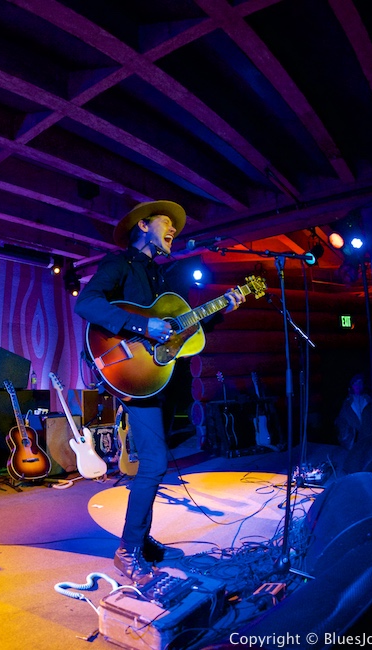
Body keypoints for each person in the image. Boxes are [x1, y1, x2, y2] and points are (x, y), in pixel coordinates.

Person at [74, 200, 245, 585]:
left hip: (159, 379)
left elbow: (181, 336)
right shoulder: (120, 264)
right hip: (133, 376)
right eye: (166, 222)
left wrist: (220, 309)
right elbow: (87, 303)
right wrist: (142, 326)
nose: (173, 230)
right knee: (153, 464)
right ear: (143, 225)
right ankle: (128, 550)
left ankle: (142, 540)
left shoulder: (160, 279)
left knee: (155, 463)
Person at [334, 373, 372, 450]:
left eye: (360, 382)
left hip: (367, 442)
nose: (358, 385)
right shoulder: (347, 403)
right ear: (351, 385)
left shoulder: (369, 402)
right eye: (355, 383)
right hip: (352, 444)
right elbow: (342, 422)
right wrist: (347, 439)